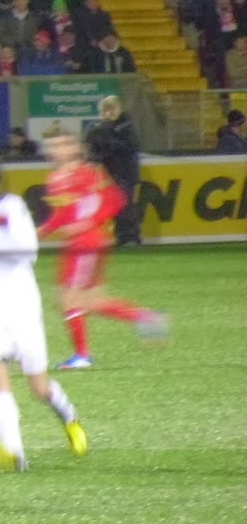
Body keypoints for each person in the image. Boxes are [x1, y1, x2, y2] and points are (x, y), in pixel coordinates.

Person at [0, 157, 87, 472]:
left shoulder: (11, 206)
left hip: (19, 306)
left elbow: (28, 249)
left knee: (38, 386)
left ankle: (69, 417)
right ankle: (14, 451)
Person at [38, 132, 167, 370]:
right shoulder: (55, 178)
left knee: (68, 298)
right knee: (93, 302)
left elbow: (115, 200)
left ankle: (81, 356)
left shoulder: (88, 173)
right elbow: (61, 215)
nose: (54, 150)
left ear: (74, 148)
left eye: (61, 145)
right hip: (80, 243)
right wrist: (40, 232)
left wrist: (89, 222)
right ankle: (145, 317)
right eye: (51, 146)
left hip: (86, 242)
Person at [84, 95, 141, 246]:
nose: (108, 113)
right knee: (114, 206)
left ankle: (131, 236)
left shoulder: (126, 126)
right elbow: (92, 152)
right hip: (109, 173)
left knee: (125, 204)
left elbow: (131, 146)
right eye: (105, 110)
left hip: (125, 172)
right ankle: (121, 236)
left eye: (111, 109)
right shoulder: (98, 128)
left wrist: (108, 142)